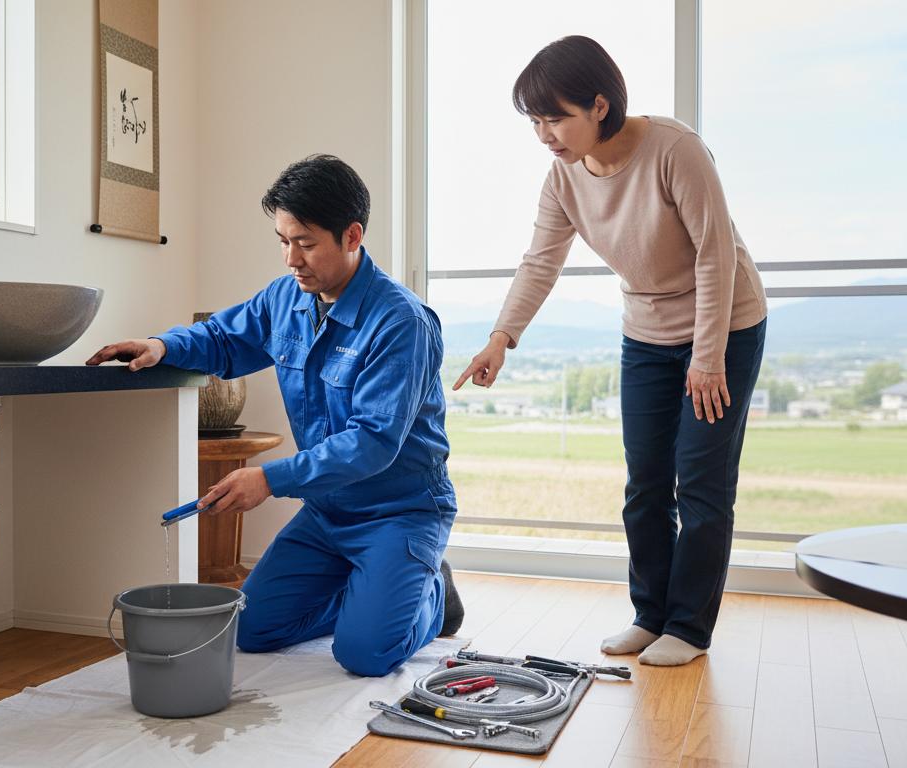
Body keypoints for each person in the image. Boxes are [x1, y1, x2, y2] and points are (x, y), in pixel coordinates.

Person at [455, 36, 767, 667]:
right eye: (536, 121)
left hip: (724, 327)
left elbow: (714, 255)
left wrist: (707, 358)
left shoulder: (675, 151)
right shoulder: (565, 173)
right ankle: (651, 615)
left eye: (555, 117)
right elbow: (540, 260)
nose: (545, 134)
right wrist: (500, 337)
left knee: (702, 482)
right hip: (647, 333)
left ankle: (689, 627)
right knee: (645, 482)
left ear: (600, 104)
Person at [88, 154, 463, 677]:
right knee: (252, 629)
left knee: (365, 654)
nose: (291, 258)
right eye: (284, 241)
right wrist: (160, 345)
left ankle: (431, 598)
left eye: (305, 243)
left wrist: (270, 478)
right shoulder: (287, 298)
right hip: (327, 514)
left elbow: (374, 441)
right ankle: (371, 597)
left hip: (398, 511)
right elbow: (223, 337)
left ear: (352, 236)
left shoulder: (401, 322)